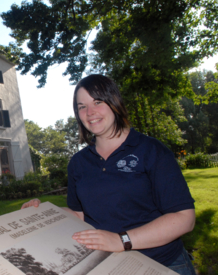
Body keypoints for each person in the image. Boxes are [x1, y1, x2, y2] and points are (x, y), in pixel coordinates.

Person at [22, 74, 196, 275]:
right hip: (108, 265)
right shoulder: (78, 163)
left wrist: (122, 240)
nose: (90, 112)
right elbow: (80, 214)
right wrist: (43, 212)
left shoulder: (151, 151)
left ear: (114, 102)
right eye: (82, 106)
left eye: (97, 102)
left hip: (163, 264)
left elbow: (184, 218)